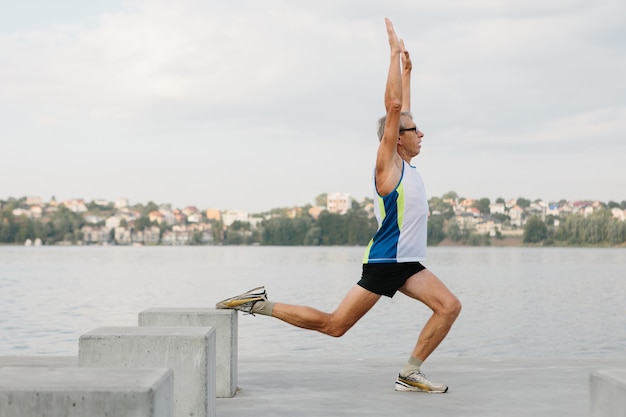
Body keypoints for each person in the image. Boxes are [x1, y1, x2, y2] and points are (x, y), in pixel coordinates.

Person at [216, 18, 461, 393]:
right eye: (415, 131)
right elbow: (394, 109)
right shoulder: (389, 168)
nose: (422, 133)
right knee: (335, 325)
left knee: (448, 306)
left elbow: (403, 110)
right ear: (397, 140)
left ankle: (409, 374)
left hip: (406, 262)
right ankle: (258, 304)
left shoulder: (407, 164)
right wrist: (393, 55)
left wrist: (408, 72)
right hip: (385, 262)